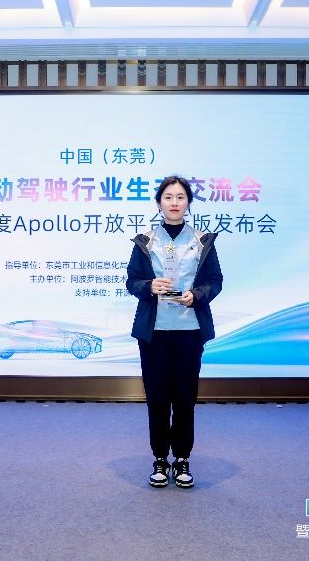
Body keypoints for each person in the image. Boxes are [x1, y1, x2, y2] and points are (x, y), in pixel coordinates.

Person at [126, 175, 223, 488]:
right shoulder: (145, 241)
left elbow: (215, 281)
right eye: (168, 197)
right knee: (157, 398)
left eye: (180, 197)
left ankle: (181, 459)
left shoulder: (202, 241)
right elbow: (132, 281)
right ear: (159, 203)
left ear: (188, 203)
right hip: (154, 332)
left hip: (189, 330)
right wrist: (149, 286)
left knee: (184, 398)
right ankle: (159, 458)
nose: (174, 202)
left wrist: (197, 295)